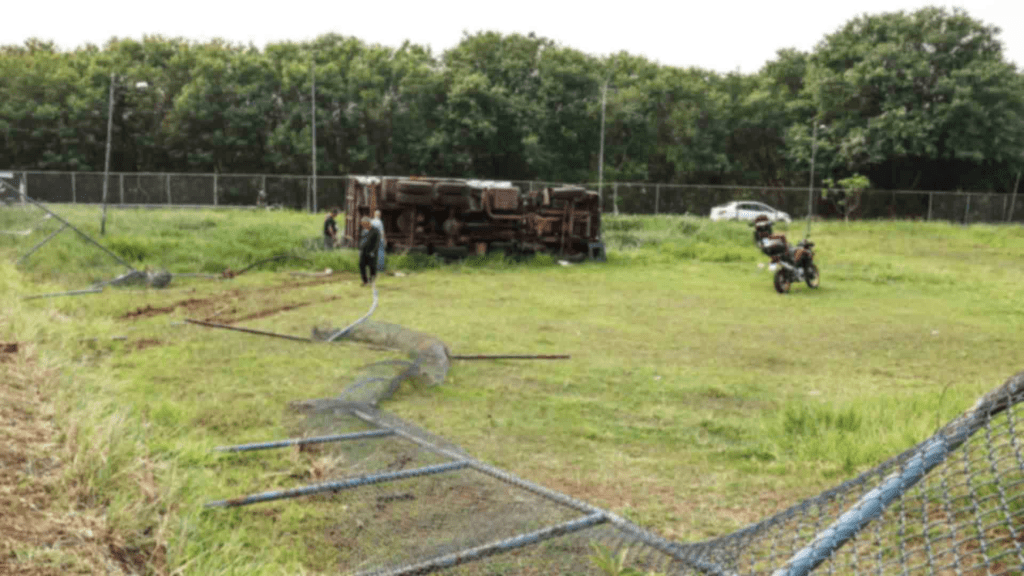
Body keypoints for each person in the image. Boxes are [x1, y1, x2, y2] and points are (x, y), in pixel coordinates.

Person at [359, 216, 381, 286]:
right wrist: (360, 248)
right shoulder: (364, 231)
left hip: (372, 252)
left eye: (365, 224)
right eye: (362, 224)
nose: (363, 226)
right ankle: (365, 281)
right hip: (363, 251)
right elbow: (362, 240)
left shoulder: (375, 231)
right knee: (361, 265)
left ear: (368, 223)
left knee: (372, 267)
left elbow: (377, 243)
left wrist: (373, 252)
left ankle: (372, 281)